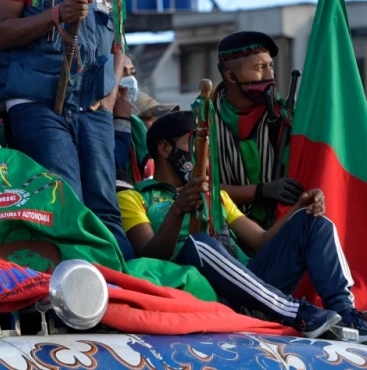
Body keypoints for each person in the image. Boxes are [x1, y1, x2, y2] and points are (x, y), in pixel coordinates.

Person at [117, 111, 367, 340]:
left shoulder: (218, 196)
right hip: (206, 290)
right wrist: (178, 210)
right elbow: (148, 253)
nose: (203, 153)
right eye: (195, 143)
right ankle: (294, 311)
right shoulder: (135, 198)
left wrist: (298, 209)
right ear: (164, 148)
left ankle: (345, 314)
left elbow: (261, 241)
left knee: (314, 222)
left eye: (207, 145)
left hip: (254, 284)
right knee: (200, 245)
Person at [0, 0, 133, 259]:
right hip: (37, 103)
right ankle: (73, 294)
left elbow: (117, 43)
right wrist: (56, 15)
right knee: (63, 199)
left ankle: (122, 290)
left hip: (93, 106)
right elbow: (2, 31)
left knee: (105, 205)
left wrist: (108, 93)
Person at [213, 31, 303, 228]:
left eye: (270, 66)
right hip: (227, 230)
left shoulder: (287, 118)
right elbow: (202, 188)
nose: (270, 75)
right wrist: (261, 191)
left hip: (285, 225)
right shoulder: (204, 123)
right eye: (260, 68)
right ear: (231, 76)